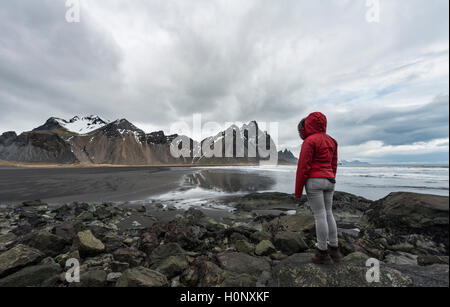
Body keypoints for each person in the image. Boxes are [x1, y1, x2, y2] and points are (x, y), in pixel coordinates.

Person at [295, 112, 342, 265]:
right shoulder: (332, 141)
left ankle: (322, 251)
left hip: (314, 181)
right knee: (329, 213)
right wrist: (331, 179)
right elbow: (333, 165)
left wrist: (298, 190)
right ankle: (334, 248)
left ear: (308, 125)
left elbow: (303, 167)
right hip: (329, 180)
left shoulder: (309, 141)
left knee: (319, 215)